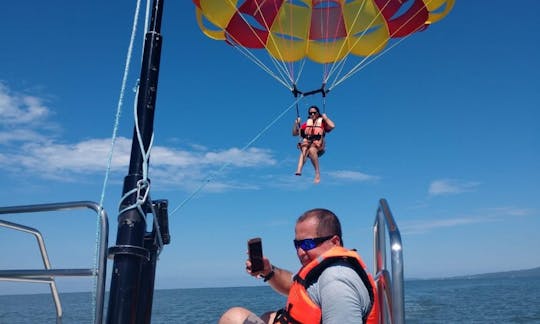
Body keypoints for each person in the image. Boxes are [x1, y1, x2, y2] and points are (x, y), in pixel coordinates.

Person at [218, 208, 379, 324]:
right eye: (297, 244)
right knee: (268, 316)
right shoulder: (320, 271)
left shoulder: (336, 282)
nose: (300, 252)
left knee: (234, 317)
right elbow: (293, 285)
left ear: (334, 242)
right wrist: (269, 271)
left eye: (308, 244)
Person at [292, 106, 335, 184]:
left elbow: (332, 126)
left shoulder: (322, 123)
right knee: (304, 148)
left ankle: (317, 173)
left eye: (314, 113)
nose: (312, 114)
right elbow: (295, 133)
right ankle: (299, 169)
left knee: (311, 149)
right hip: (308, 147)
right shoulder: (307, 124)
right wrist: (296, 124)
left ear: (318, 113)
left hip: (319, 147)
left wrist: (325, 118)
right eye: (310, 113)